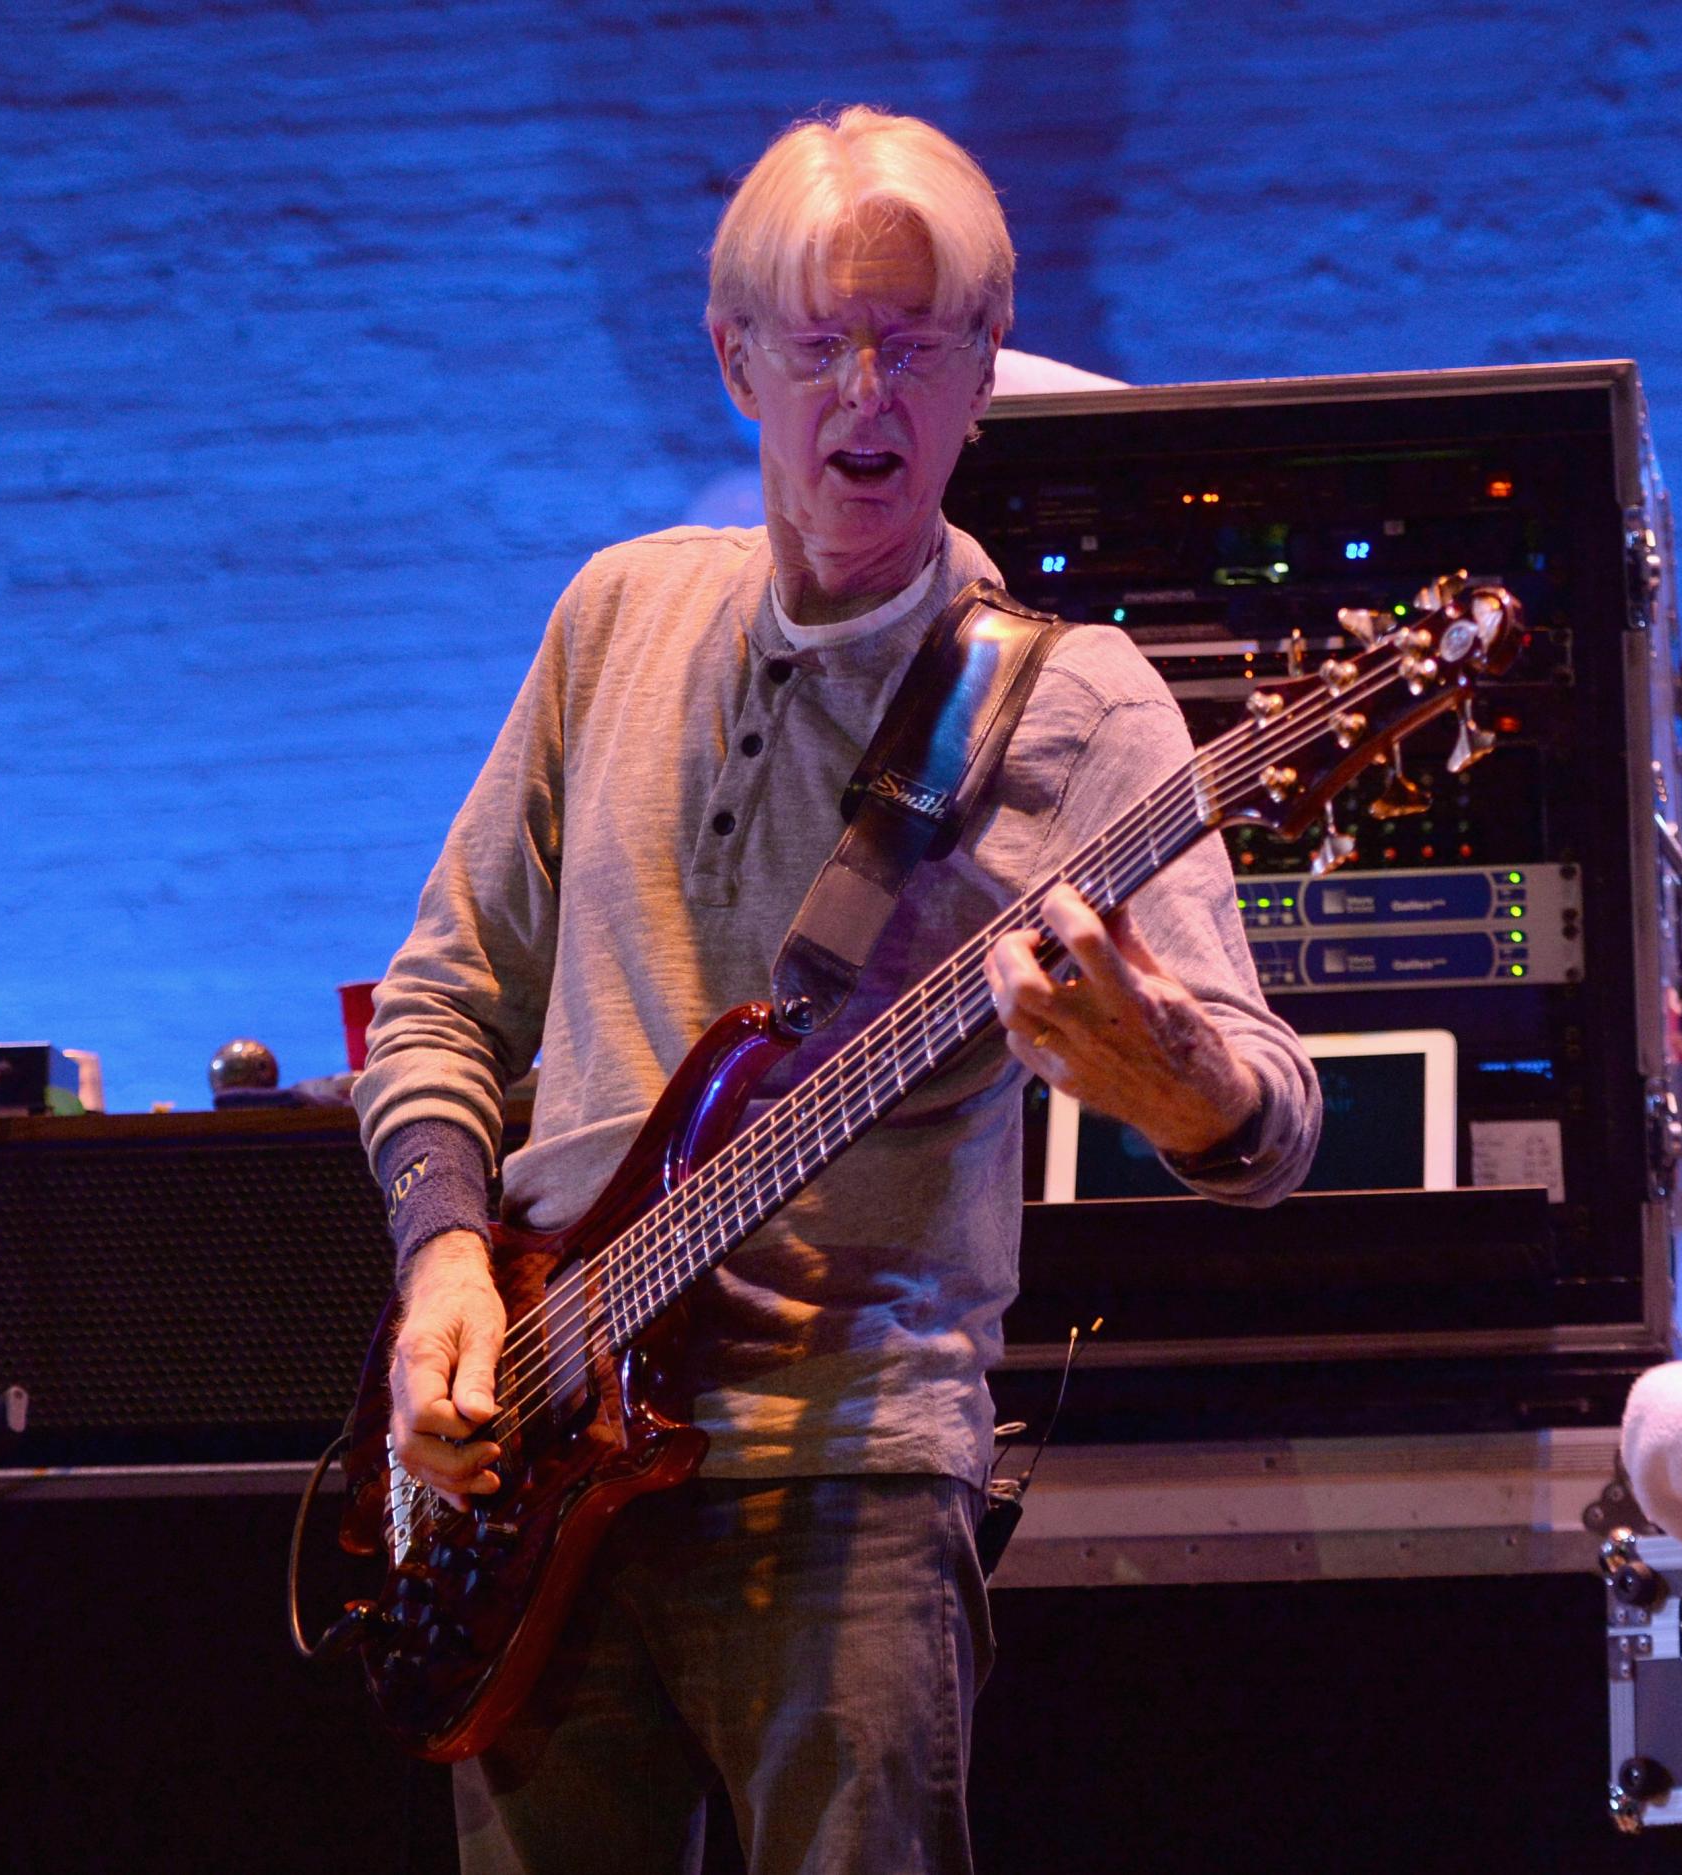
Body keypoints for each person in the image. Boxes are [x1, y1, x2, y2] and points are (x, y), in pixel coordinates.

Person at [353, 105, 1320, 1875]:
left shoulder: (1076, 709)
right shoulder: (614, 619)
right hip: (534, 1474)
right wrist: (441, 1267)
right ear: (734, 363)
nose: (864, 394)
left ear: (979, 378)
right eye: (818, 345)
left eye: (917, 347)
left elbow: (1271, 1114)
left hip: (852, 1469)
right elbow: (441, 1000)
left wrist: (1175, 1074)